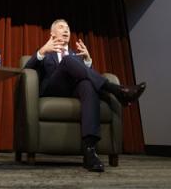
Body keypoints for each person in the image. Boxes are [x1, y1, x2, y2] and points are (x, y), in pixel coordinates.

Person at [25, 19, 146, 173]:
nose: (66, 30)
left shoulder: (76, 54)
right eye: (61, 27)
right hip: (54, 88)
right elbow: (26, 70)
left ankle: (89, 152)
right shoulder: (46, 52)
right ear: (52, 33)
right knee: (69, 60)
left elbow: (91, 77)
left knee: (88, 85)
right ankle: (117, 91)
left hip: (74, 90)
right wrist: (42, 52)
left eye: (68, 28)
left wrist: (88, 61)